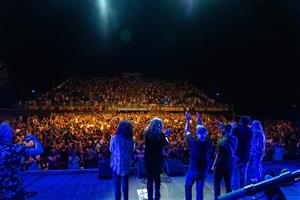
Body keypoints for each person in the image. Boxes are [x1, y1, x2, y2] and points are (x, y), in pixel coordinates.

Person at [0, 122, 44, 200]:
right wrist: (34, 138)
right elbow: (39, 150)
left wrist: (23, 144)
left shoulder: (10, 149)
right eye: (11, 132)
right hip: (13, 191)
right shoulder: (13, 149)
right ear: (8, 135)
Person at [184, 112, 213, 200]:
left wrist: (188, 120)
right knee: (199, 191)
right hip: (203, 170)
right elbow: (203, 130)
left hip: (193, 170)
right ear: (205, 132)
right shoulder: (208, 140)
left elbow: (187, 131)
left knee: (188, 187)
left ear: (196, 132)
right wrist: (199, 120)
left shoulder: (193, 141)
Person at [144, 117, 171, 200]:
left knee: (149, 180)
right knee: (157, 180)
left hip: (148, 160)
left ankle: (149, 198)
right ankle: (157, 197)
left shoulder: (146, 133)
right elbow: (167, 144)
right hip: (158, 160)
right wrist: (166, 135)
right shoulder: (161, 135)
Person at [110, 120, 134, 200]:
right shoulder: (131, 140)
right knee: (125, 184)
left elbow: (111, 149)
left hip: (116, 164)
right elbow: (131, 150)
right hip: (126, 164)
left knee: (117, 185)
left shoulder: (115, 138)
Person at [212, 123, 237, 200]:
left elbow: (218, 157)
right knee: (228, 185)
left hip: (221, 167)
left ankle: (217, 198)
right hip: (230, 165)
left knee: (217, 184)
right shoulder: (235, 139)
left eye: (222, 129)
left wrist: (214, 166)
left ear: (224, 130)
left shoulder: (221, 142)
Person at [232, 116, 253, 189]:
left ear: (242, 121)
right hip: (246, 154)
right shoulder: (250, 131)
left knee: (235, 172)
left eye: (240, 120)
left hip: (237, 154)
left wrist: (233, 127)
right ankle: (243, 189)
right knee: (243, 173)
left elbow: (231, 137)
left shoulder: (237, 129)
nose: (239, 121)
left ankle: (236, 190)